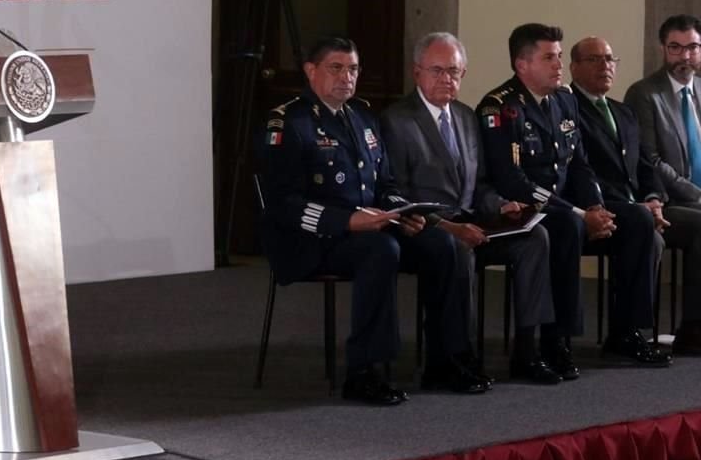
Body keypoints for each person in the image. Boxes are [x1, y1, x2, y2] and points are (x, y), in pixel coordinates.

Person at [259, 36, 488, 406]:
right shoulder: (289, 123)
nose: (346, 77)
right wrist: (347, 221)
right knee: (380, 250)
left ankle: (446, 360)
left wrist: (404, 214)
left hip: (371, 229)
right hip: (313, 239)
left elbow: (386, 187)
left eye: (353, 69)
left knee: (441, 243)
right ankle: (366, 370)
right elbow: (283, 204)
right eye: (336, 68)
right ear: (311, 71)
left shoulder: (362, 117)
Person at [476, 23, 667, 380]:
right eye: (549, 58)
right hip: (527, 210)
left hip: (569, 206)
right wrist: (579, 213)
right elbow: (512, 181)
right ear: (522, 65)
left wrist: (595, 206)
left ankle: (627, 331)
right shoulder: (500, 107)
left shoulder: (564, 100)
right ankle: (555, 340)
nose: (558, 65)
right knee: (567, 226)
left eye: (560, 56)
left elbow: (579, 164)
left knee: (638, 219)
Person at [379, 32, 560, 384]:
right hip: (424, 228)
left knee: (535, 237)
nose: (446, 79)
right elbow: (396, 194)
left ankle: (527, 351)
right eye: (437, 70)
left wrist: (501, 206)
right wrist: (447, 226)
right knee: (457, 249)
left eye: (454, 71)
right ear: (417, 72)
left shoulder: (465, 115)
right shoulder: (397, 120)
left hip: (472, 220)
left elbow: (480, 184)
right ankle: (455, 357)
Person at [568, 36, 672, 364]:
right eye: (595, 59)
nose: (605, 66)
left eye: (610, 59)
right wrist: (635, 208)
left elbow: (644, 165)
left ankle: (626, 330)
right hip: (592, 205)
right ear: (574, 67)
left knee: (652, 234)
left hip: (633, 210)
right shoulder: (568, 109)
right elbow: (580, 171)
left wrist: (653, 198)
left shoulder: (623, 112)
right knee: (641, 224)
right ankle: (628, 332)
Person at [624, 14, 701, 355]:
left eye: (692, 47)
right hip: (665, 202)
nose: (685, 56)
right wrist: (697, 194)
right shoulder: (644, 94)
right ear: (663, 49)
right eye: (675, 48)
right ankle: (694, 329)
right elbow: (651, 160)